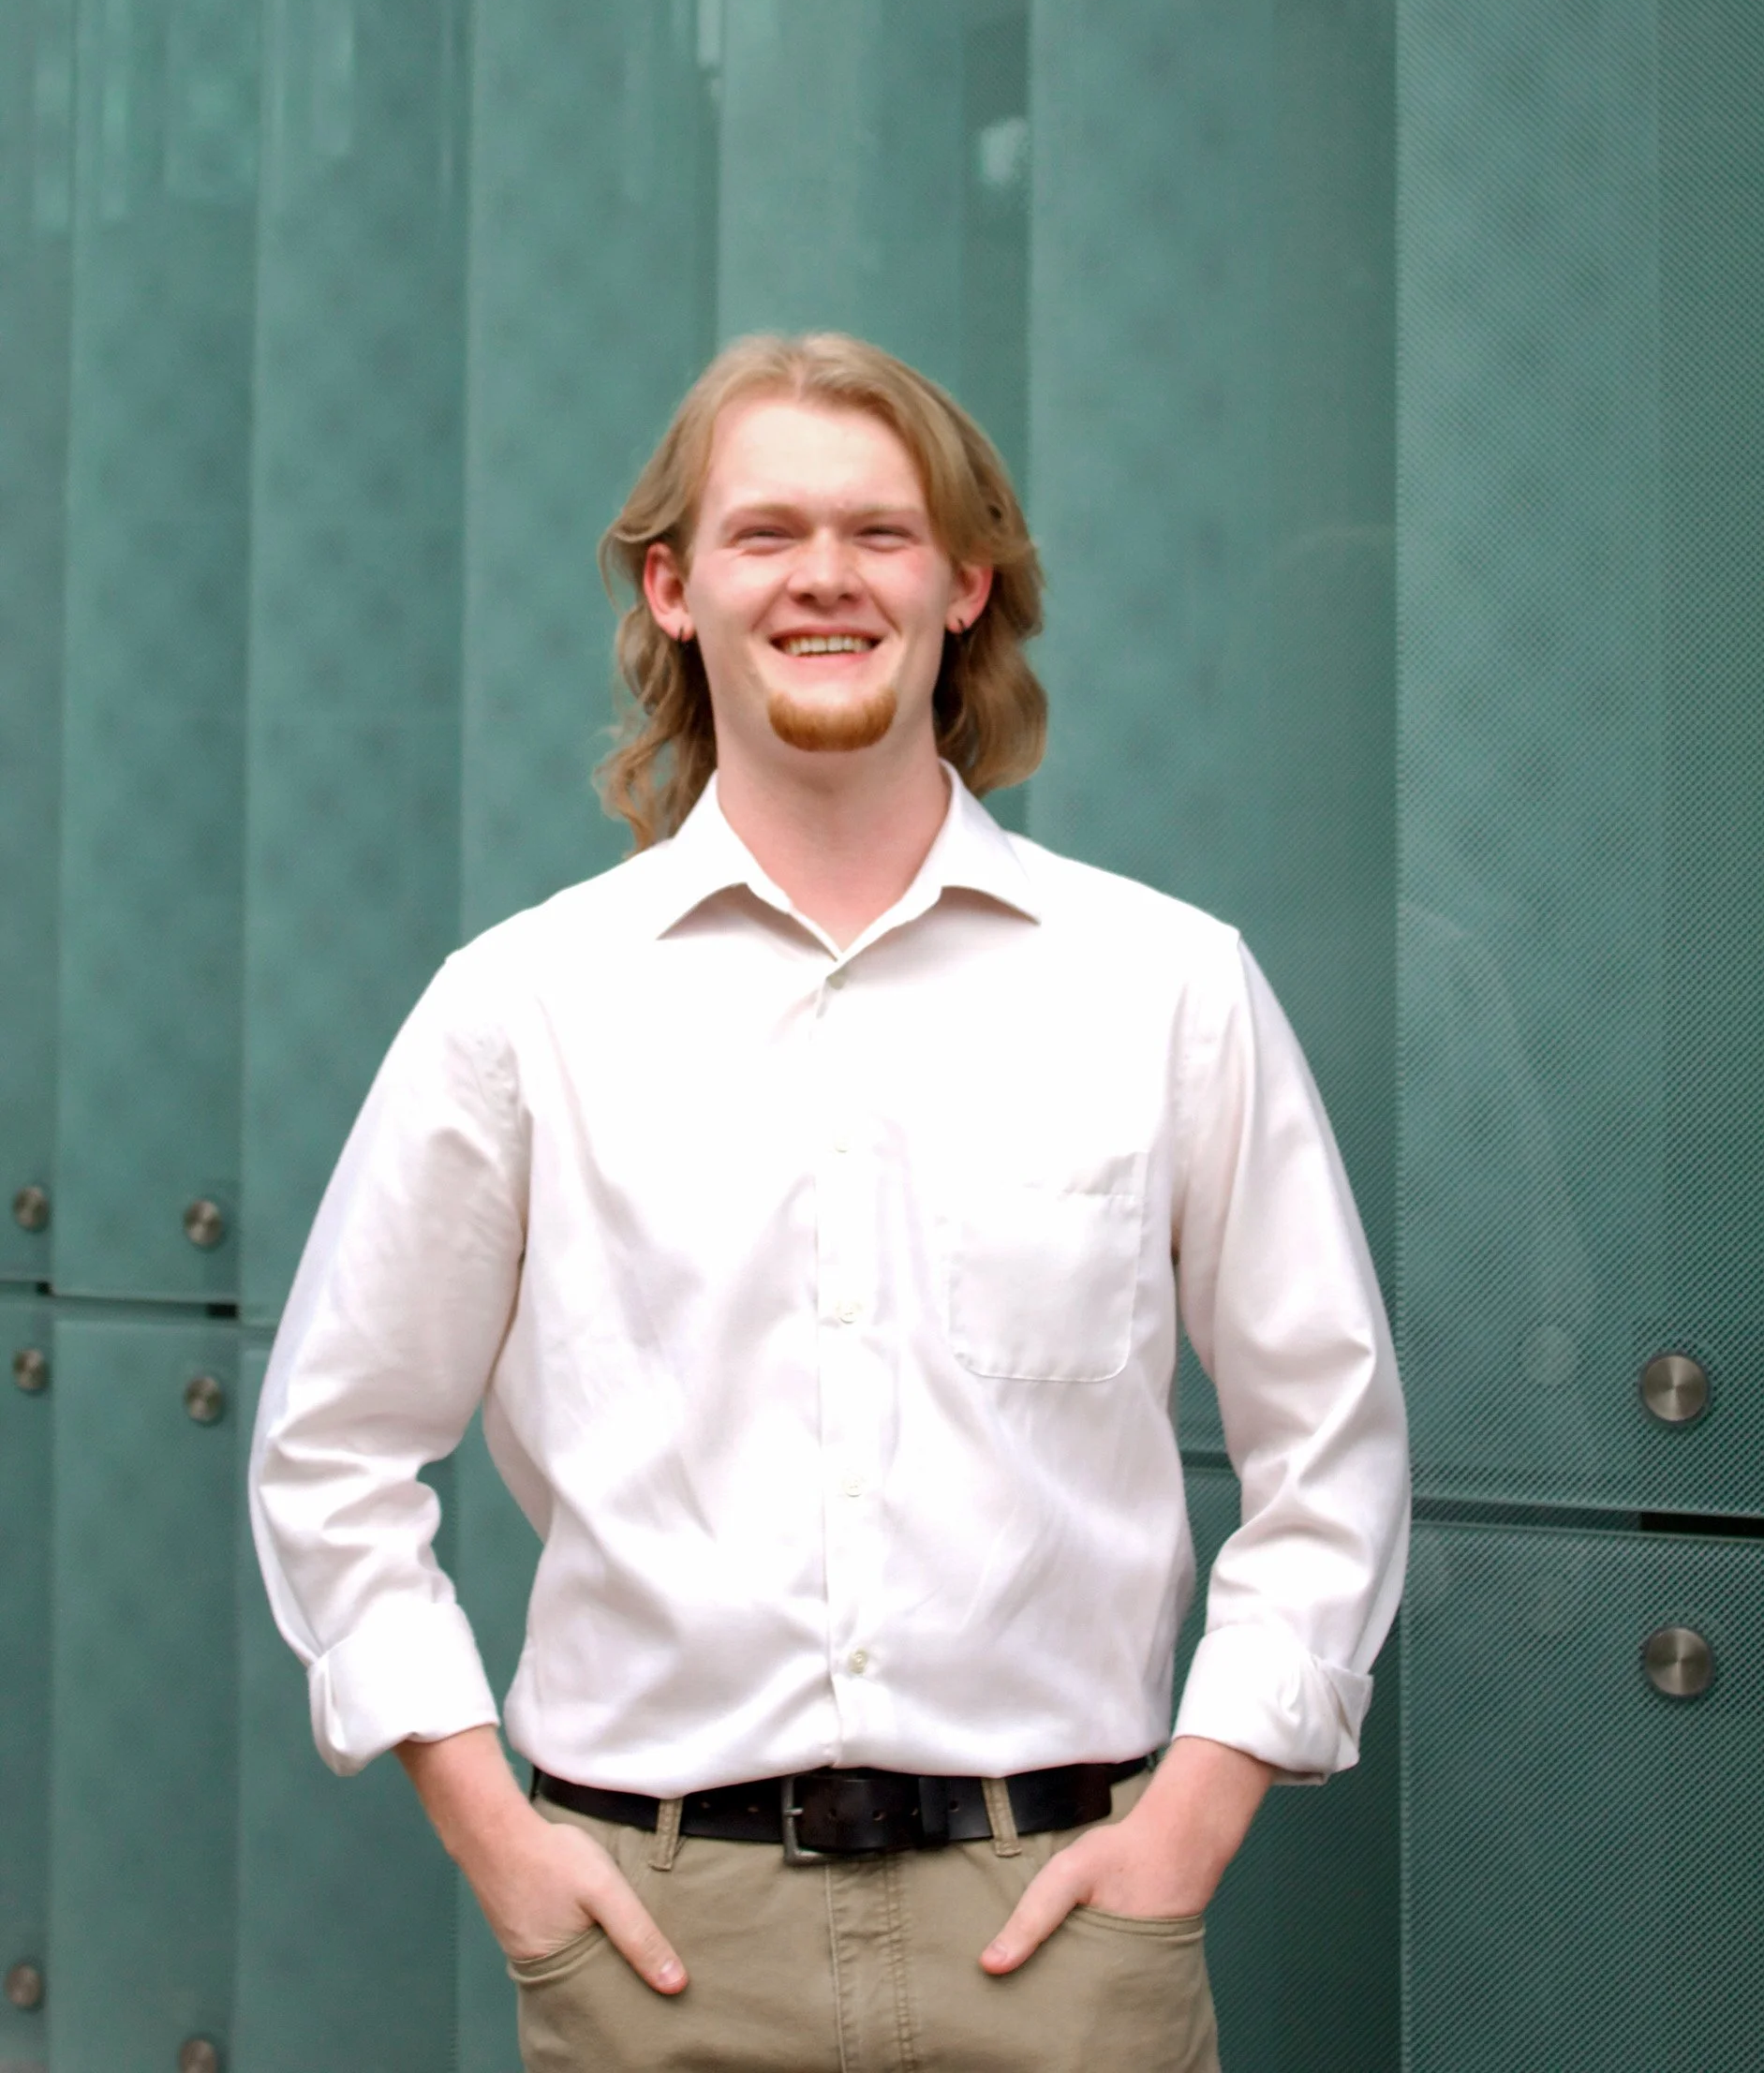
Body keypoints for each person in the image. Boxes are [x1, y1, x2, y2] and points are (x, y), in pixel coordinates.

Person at [250, 331, 1409, 2073]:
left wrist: (1196, 1818)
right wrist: (498, 1839)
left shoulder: (1165, 986)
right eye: (765, 532)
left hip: (1067, 1937)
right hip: (657, 1946)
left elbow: (1332, 1441)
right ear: (673, 587)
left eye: (880, 532)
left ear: (965, 585)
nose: (824, 577)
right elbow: (332, 1453)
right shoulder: (522, 1008)